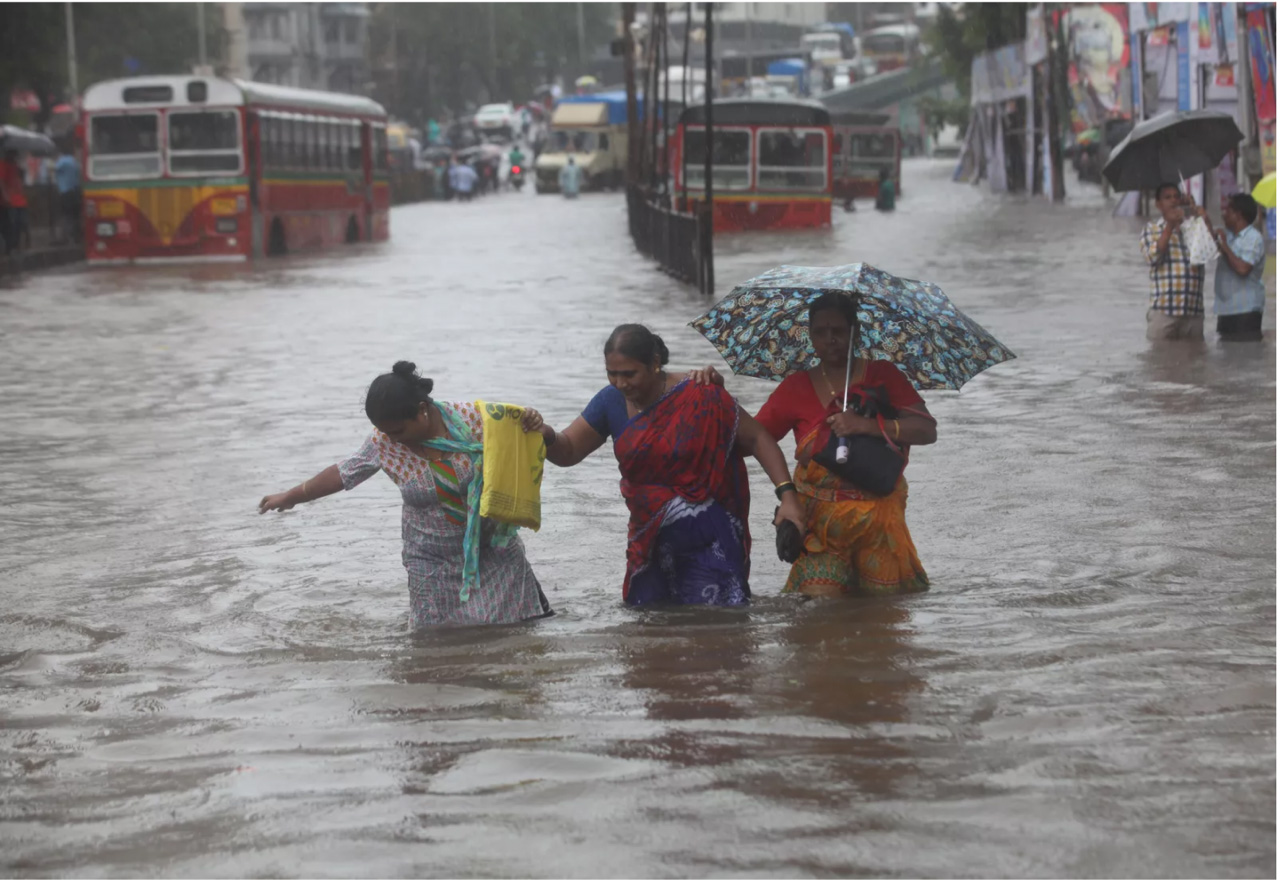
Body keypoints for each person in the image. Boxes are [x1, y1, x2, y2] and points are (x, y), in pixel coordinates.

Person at [258, 361, 554, 628]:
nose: (392, 439)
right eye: (384, 432)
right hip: (429, 560)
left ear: (423, 410)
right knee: (429, 646)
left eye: (399, 430)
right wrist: (291, 496)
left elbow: (527, 434)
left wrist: (532, 421)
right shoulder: (384, 441)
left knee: (514, 636)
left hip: (492, 550)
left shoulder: (477, 420)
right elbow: (343, 473)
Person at [537, 325, 806, 607]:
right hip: (649, 544)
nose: (620, 383)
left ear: (655, 363)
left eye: (629, 374)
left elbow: (757, 438)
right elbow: (568, 451)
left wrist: (787, 496)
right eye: (611, 374)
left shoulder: (700, 393)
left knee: (720, 633)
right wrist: (547, 436)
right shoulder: (610, 402)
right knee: (648, 633)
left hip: (709, 541)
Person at [695, 293, 936, 597]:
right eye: (820, 332)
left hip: (878, 523)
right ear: (810, 335)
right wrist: (719, 397)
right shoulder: (795, 388)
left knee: (882, 616)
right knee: (818, 613)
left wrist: (868, 426)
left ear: (854, 332)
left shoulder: (883, 376)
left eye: (838, 331)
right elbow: (752, 440)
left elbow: (926, 430)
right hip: (820, 527)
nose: (830, 339)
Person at [1140, 183, 1206, 341]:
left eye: (1176, 197)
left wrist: (1202, 218)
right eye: (1167, 197)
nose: (1173, 201)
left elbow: (1208, 254)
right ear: (1158, 204)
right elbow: (1153, 258)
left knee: (1196, 362)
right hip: (1164, 313)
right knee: (1160, 362)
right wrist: (1169, 226)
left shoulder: (1193, 228)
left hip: (1193, 313)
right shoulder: (1151, 229)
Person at [1205, 193, 1267, 341]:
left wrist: (1225, 246)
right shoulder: (1228, 235)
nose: (1223, 215)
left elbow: (1243, 269)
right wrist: (1204, 219)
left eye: (1227, 211)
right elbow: (1205, 243)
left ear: (1238, 215)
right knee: (1227, 359)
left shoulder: (1253, 238)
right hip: (1225, 310)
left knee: (1245, 356)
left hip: (1246, 312)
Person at [0, 149, 30, 255]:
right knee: (11, 225)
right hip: (10, 200)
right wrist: (5, 196)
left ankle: (16, 245)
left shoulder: (16, 166)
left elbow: (20, 181)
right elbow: (2, 182)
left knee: (20, 224)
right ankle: (11, 246)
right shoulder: (3, 165)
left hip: (19, 200)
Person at [53, 145, 82, 244]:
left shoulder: (62, 161)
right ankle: (75, 237)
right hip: (75, 191)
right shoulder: (75, 161)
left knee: (66, 215)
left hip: (65, 192)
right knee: (74, 215)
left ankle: (67, 238)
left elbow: (55, 169)